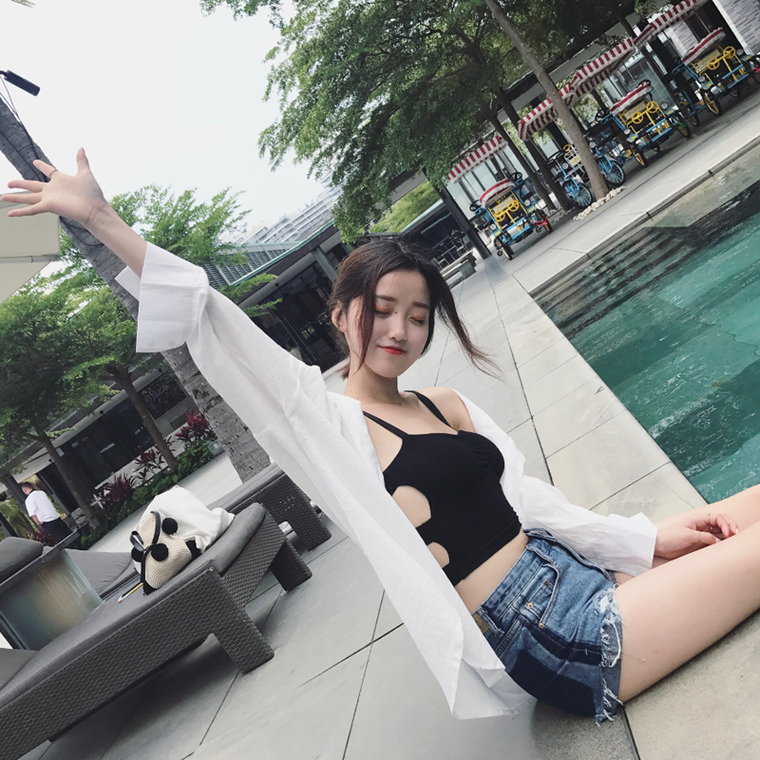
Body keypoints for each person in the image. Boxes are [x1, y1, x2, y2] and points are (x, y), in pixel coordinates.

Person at [4, 151, 760, 725]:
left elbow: (532, 505)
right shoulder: (330, 427)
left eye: (419, 315)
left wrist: (646, 540)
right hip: (554, 635)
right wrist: (101, 220)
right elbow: (214, 322)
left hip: (583, 575)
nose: (401, 329)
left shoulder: (446, 403)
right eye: (383, 308)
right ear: (340, 314)